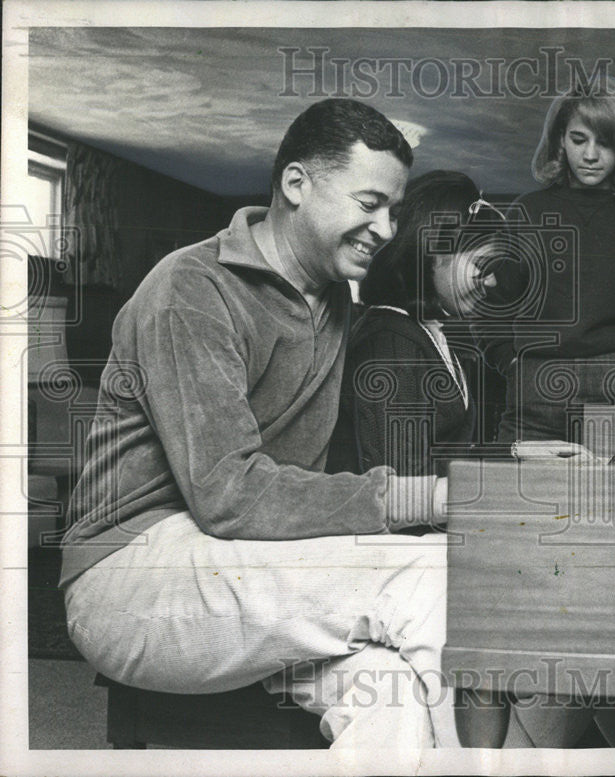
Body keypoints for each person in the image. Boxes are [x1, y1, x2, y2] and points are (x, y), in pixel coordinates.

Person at [58, 98, 460, 751]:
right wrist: (433, 496)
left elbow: (295, 491)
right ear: (297, 185)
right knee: (430, 573)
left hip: (242, 563)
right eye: (368, 203)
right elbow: (228, 494)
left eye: (393, 209)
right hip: (129, 574)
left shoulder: (332, 299)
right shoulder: (192, 287)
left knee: (390, 690)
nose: (386, 227)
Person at [479, 84, 615, 445]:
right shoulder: (527, 211)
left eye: (606, 142)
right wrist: (512, 364)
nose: (591, 155)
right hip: (536, 384)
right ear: (559, 142)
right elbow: (492, 304)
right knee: (518, 497)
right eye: (579, 139)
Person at [327, 170, 503, 480]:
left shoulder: (422, 332)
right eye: (482, 265)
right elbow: (403, 489)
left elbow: (448, 455)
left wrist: (523, 452)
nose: (491, 281)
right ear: (433, 255)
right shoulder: (391, 346)